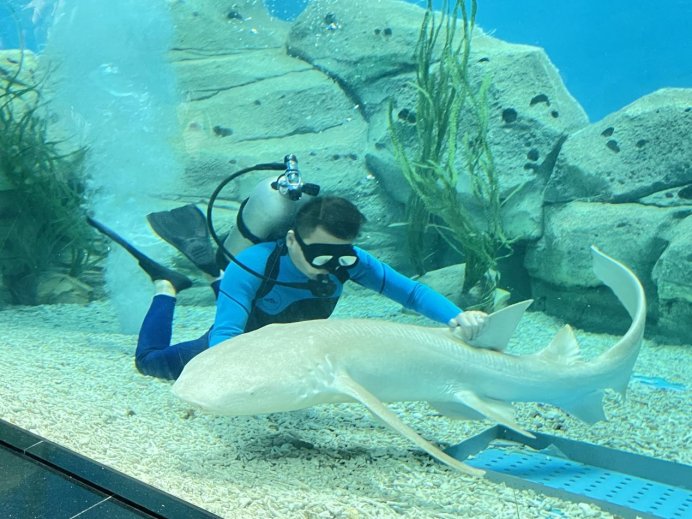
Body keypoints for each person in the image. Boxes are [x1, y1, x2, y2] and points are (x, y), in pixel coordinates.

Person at [87, 181, 488, 381]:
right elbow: (225, 336)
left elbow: (412, 292)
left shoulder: (350, 262)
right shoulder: (253, 264)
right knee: (148, 362)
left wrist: (457, 316)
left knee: (237, 293)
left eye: (340, 255)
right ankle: (166, 285)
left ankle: (212, 272)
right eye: (318, 254)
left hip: (281, 342)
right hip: (240, 336)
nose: (330, 266)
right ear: (293, 239)